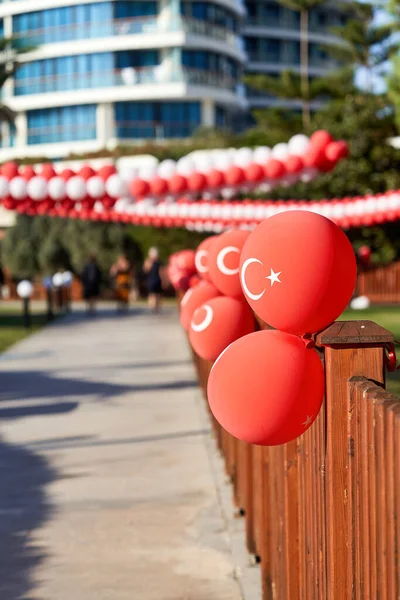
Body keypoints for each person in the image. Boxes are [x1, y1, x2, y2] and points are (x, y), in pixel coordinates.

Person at [143, 247, 163, 313]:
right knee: (152, 294)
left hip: (158, 279)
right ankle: (152, 307)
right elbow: (145, 270)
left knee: (158, 294)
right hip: (151, 279)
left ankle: (157, 307)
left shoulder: (159, 262)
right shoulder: (148, 261)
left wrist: (163, 280)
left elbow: (161, 272)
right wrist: (150, 262)